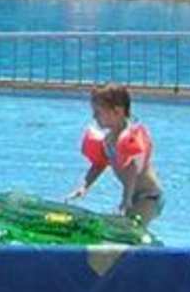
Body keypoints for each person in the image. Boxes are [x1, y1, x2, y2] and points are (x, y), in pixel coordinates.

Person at [67, 81, 164, 225]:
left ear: (117, 111)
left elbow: (132, 170)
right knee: (125, 227)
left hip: (149, 197)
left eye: (98, 112)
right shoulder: (107, 140)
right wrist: (84, 186)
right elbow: (99, 164)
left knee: (129, 229)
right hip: (134, 196)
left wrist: (126, 198)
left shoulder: (129, 138)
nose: (94, 117)